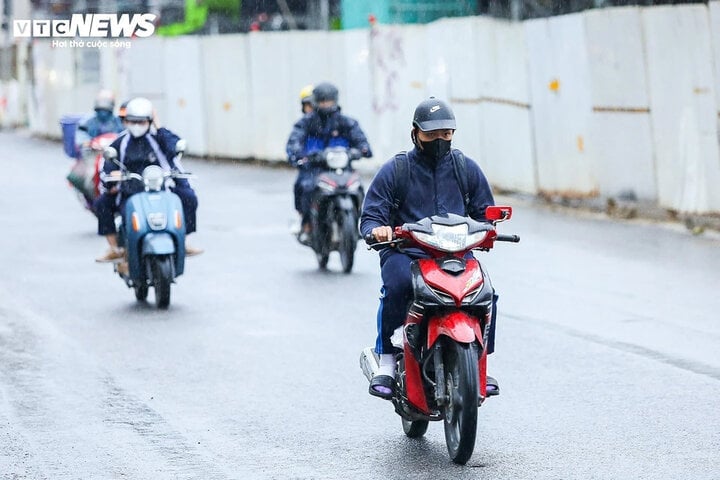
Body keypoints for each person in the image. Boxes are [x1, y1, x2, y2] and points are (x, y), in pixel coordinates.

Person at [359, 97, 499, 399]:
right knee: (397, 285)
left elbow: (485, 212)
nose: (439, 139)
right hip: (406, 253)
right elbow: (371, 216)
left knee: (487, 293)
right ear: (415, 133)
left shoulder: (465, 168)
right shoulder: (397, 170)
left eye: (446, 133)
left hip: (456, 253)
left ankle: (480, 363)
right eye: (432, 134)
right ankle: (387, 359)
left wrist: (489, 229)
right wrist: (377, 230)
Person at [93, 97, 202, 262]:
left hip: (162, 188)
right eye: (132, 121)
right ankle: (115, 248)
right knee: (101, 203)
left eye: (142, 121)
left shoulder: (159, 138)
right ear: (125, 121)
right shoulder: (119, 143)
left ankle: (183, 241)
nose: (137, 125)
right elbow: (107, 168)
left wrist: (158, 126)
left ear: (150, 121)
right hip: (129, 192)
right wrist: (112, 182)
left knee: (189, 197)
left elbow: (174, 149)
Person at [286, 82, 373, 243]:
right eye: (323, 101)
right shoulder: (305, 123)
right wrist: (301, 156)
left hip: (342, 169)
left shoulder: (346, 122)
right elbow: (294, 144)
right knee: (304, 186)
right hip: (314, 169)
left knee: (359, 188)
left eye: (329, 101)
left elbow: (362, 143)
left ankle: (359, 222)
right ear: (316, 101)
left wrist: (360, 150)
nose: (326, 104)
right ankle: (306, 224)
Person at [74, 89, 124, 156]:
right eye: (101, 101)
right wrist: (87, 143)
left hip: (113, 152)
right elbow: (81, 134)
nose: (103, 105)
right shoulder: (88, 121)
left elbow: (123, 134)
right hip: (93, 153)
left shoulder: (118, 120)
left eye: (106, 101)